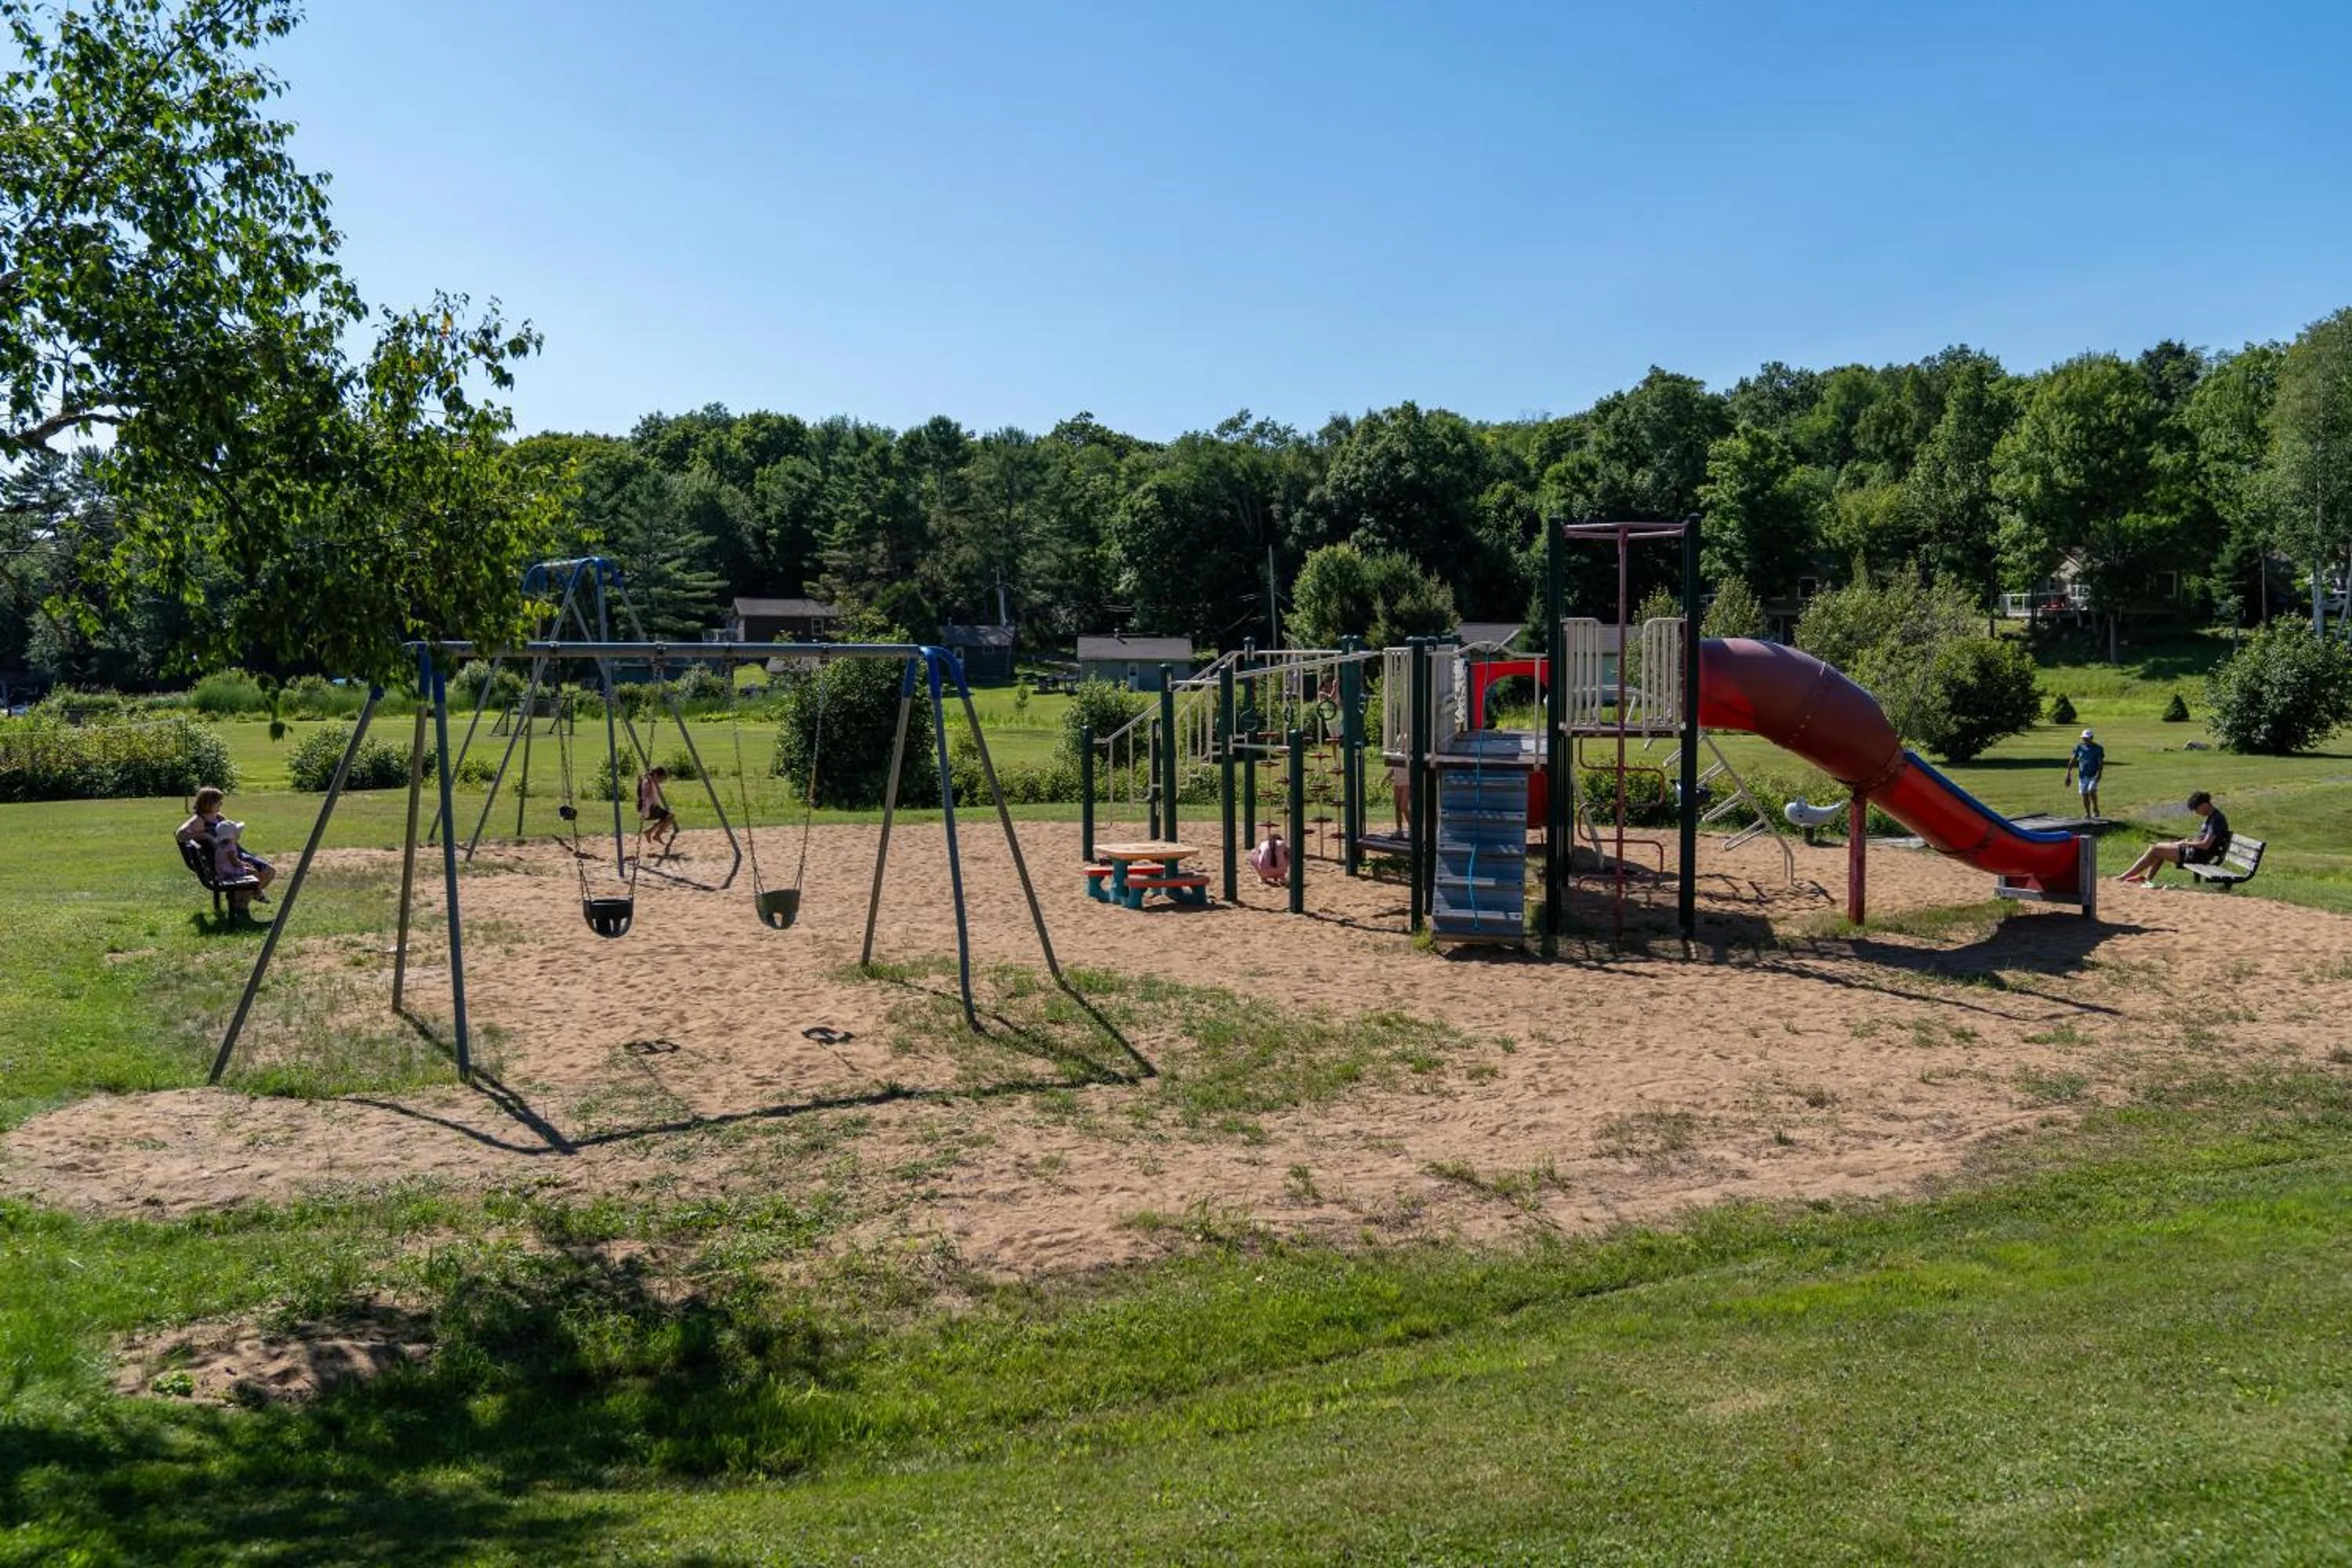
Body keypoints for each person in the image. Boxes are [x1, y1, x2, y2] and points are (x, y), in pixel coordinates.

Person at [176, 785, 274, 909]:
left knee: (269, 871)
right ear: (208, 802)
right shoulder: (199, 820)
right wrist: (205, 836)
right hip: (227, 860)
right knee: (265, 872)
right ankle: (240, 905)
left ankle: (240, 900)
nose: (221, 804)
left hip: (236, 854)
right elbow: (181, 834)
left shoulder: (219, 817)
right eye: (218, 801)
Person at [2117, 790, 2230, 884]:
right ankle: (2146, 880)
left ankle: (2125, 877)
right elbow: (2205, 841)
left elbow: (2206, 845)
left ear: (2204, 805)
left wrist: (2185, 844)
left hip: (2198, 856)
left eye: (2196, 809)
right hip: (2196, 852)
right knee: (2158, 847)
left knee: (2156, 850)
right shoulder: (2213, 817)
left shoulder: (2216, 820)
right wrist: (2188, 841)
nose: (2196, 813)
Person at [637, 766, 679, 854]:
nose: (661, 781)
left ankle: (650, 832)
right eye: (661, 778)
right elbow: (643, 794)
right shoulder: (648, 782)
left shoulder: (649, 781)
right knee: (670, 816)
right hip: (649, 809)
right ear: (655, 775)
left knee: (667, 817)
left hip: (650, 808)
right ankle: (656, 835)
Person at [2064, 728, 2105, 819]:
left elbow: (2100, 762)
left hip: (2093, 774)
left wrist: (2099, 774)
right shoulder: (2079, 747)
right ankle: (2088, 814)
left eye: (2086, 738)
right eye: (2083, 738)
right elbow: (2073, 760)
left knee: (2091, 790)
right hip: (2083, 775)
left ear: (2092, 738)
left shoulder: (2098, 749)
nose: (2085, 740)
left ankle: (2095, 808)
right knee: (2084, 794)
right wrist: (2068, 774)